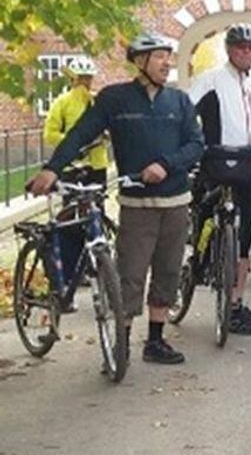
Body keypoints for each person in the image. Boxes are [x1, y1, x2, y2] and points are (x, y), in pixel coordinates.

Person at [28, 32, 204, 365]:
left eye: (169, 56)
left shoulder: (179, 101)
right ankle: (120, 343)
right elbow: (81, 133)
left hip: (176, 201)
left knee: (168, 271)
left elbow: (196, 144)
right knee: (130, 273)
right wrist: (52, 169)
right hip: (137, 205)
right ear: (140, 62)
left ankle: (155, 340)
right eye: (160, 56)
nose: (167, 62)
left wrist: (166, 165)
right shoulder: (114, 99)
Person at [190, 22, 251, 335]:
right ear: (229, 50)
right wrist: (191, 145)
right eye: (240, 47)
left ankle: (236, 302)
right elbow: (187, 114)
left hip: (245, 163)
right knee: (202, 210)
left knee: (244, 235)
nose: (246, 52)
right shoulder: (209, 80)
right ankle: (195, 260)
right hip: (213, 160)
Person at [42, 56, 110, 288]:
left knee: (97, 214)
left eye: (89, 78)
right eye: (82, 78)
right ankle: (73, 270)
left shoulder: (96, 102)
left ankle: (99, 264)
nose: (86, 82)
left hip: (97, 166)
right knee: (71, 219)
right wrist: (74, 145)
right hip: (73, 167)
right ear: (72, 79)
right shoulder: (62, 103)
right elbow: (49, 134)